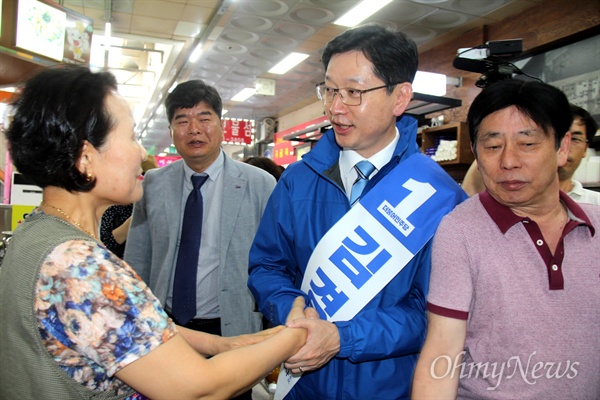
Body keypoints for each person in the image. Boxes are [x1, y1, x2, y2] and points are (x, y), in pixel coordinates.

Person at [0, 65, 309, 399]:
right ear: (86, 157)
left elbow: (117, 323)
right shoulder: (79, 265)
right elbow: (198, 389)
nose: (143, 153)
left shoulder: (38, 234)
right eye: (131, 136)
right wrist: (297, 335)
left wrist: (224, 343)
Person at [248, 24, 467, 399]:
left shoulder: (441, 197)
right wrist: (292, 309)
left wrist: (342, 337)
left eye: (353, 92)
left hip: (390, 387)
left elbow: (433, 312)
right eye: (330, 90)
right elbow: (266, 266)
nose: (335, 107)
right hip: (305, 387)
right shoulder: (297, 181)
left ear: (400, 98)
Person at [412, 80, 600, 399]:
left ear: (562, 148)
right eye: (493, 145)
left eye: (527, 144)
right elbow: (442, 351)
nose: (508, 161)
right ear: (476, 152)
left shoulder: (595, 224)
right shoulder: (460, 230)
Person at [123, 79, 276, 399]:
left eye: (204, 118)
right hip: (167, 329)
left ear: (221, 125)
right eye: (182, 120)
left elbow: (276, 258)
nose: (194, 129)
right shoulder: (152, 184)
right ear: (171, 130)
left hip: (232, 326)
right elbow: (137, 258)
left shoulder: (258, 184)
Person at [461, 104, 600, 205]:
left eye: (575, 139)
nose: (564, 147)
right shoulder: (504, 199)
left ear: (586, 148)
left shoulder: (595, 205)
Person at [99, 155, 159, 258]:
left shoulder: (161, 203)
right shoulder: (115, 203)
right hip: (122, 265)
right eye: (140, 178)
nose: (143, 185)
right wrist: (137, 215)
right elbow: (106, 245)